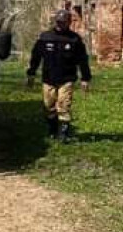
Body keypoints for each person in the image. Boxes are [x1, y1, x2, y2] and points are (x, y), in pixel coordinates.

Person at [26, 9, 92, 142]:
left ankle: (64, 134)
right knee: (49, 106)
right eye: (58, 22)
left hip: (66, 78)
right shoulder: (45, 37)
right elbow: (36, 57)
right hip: (48, 78)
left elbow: (82, 59)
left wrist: (85, 78)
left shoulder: (75, 39)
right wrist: (31, 73)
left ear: (68, 23)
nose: (59, 25)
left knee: (63, 105)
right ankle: (52, 129)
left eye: (62, 22)